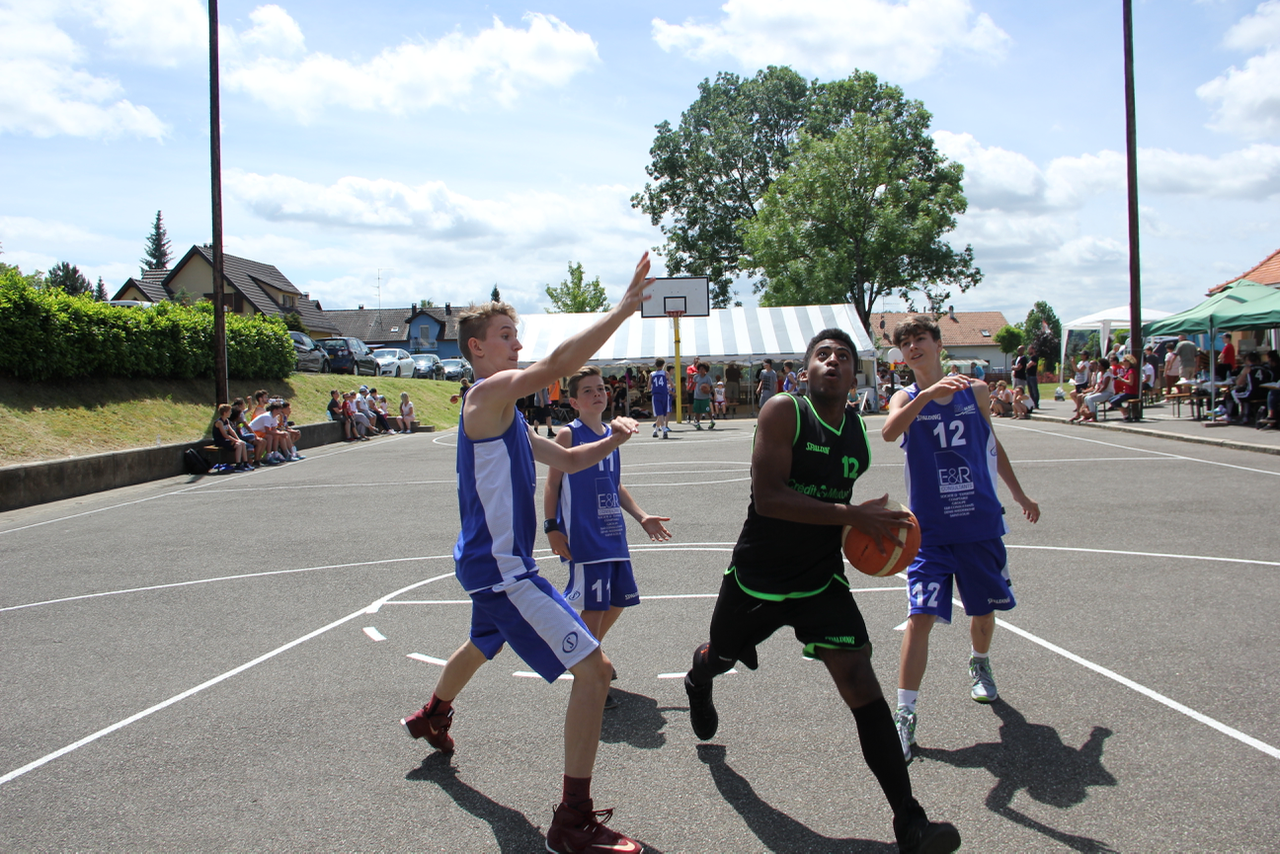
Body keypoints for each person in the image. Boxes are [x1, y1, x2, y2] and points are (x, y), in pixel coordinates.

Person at [400, 254, 654, 854]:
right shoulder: (485, 396)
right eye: (506, 335)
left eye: (516, 335)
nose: (517, 344)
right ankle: (573, 821)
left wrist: (613, 439)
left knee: (481, 644)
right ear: (476, 349)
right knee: (595, 672)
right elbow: (559, 365)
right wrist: (622, 310)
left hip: (488, 566)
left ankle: (432, 714)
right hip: (504, 571)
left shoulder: (508, 417)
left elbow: (567, 460)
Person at [682, 328, 960, 854]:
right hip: (759, 577)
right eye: (823, 354)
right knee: (720, 656)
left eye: (844, 357)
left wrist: (868, 527)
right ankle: (699, 678)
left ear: (855, 373)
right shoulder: (783, 411)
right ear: (805, 368)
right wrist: (853, 515)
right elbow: (769, 498)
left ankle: (910, 822)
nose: (834, 361)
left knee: (860, 681)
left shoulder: (855, 432)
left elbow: (835, 509)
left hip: (820, 578)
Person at [882, 315, 1040, 767]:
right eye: (906, 343)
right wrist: (927, 396)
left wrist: (1019, 494)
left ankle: (979, 661)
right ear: (902, 354)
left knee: (983, 612)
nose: (914, 347)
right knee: (920, 617)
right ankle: (905, 715)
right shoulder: (905, 397)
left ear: (938, 343)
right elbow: (890, 432)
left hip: (978, 524)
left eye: (921, 339)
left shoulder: (977, 392)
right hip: (929, 532)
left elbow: (992, 445)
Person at [544, 366, 672, 709]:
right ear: (573, 401)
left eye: (600, 388)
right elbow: (552, 483)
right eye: (587, 390)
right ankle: (589, 671)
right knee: (595, 606)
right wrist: (552, 526)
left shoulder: (611, 435)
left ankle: (583, 652)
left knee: (619, 600)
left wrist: (641, 516)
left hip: (613, 531)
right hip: (585, 535)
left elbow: (614, 483)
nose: (597, 394)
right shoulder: (568, 435)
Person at [211, 403, 252, 471]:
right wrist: (236, 441)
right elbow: (225, 435)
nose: (230, 413)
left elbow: (231, 431)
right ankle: (238, 464)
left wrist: (238, 439)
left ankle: (245, 463)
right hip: (220, 441)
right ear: (225, 413)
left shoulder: (226, 421)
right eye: (229, 411)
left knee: (242, 443)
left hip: (226, 440)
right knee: (238, 445)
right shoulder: (219, 422)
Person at [649, 358, 671, 438]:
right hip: (664, 394)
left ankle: (656, 430)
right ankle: (664, 430)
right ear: (663, 365)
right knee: (661, 414)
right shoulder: (666, 373)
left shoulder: (652, 374)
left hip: (656, 395)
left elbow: (648, 387)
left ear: (655, 365)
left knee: (660, 414)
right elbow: (671, 384)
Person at [692, 362, 715, 430]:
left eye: (702, 369)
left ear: (706, 370)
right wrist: (690, 389)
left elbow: (711, 387)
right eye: (700, 369)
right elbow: (693, 384)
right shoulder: (696, 377)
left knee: (708, 410)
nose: (701, 370)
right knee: (697, 411)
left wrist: (708, 391)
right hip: (697, 396)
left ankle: (712, 420)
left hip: (705, 397)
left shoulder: (708, 378)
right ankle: (698, 423)